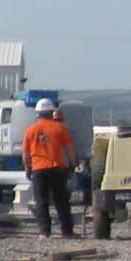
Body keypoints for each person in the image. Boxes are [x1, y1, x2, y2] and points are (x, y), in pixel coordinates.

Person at [22, 96, 76, 238]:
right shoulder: (61, 128)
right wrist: (72, 164)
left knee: (41, 202)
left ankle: (44, 232)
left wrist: (28, 168)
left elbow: (26, 153)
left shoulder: (30, 130)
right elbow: (70, 149)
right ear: (51, 112)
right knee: (61, 201)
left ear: (38, 113)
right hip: (58, 168)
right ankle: (67, 231)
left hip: (39, 169)